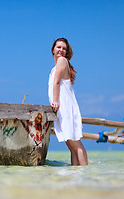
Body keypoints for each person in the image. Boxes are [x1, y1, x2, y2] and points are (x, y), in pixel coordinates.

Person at [48, 38, 88, 166]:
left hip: (65, 107)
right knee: (71, 146)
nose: (61, 50)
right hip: (63, 108)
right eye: (58, 47)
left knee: (76, 144)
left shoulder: (62, 61)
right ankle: (75, 175)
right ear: (53, 49)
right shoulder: (54, 68)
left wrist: (55, 101)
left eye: (64, 48)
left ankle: (84, 172)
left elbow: (57, 83)